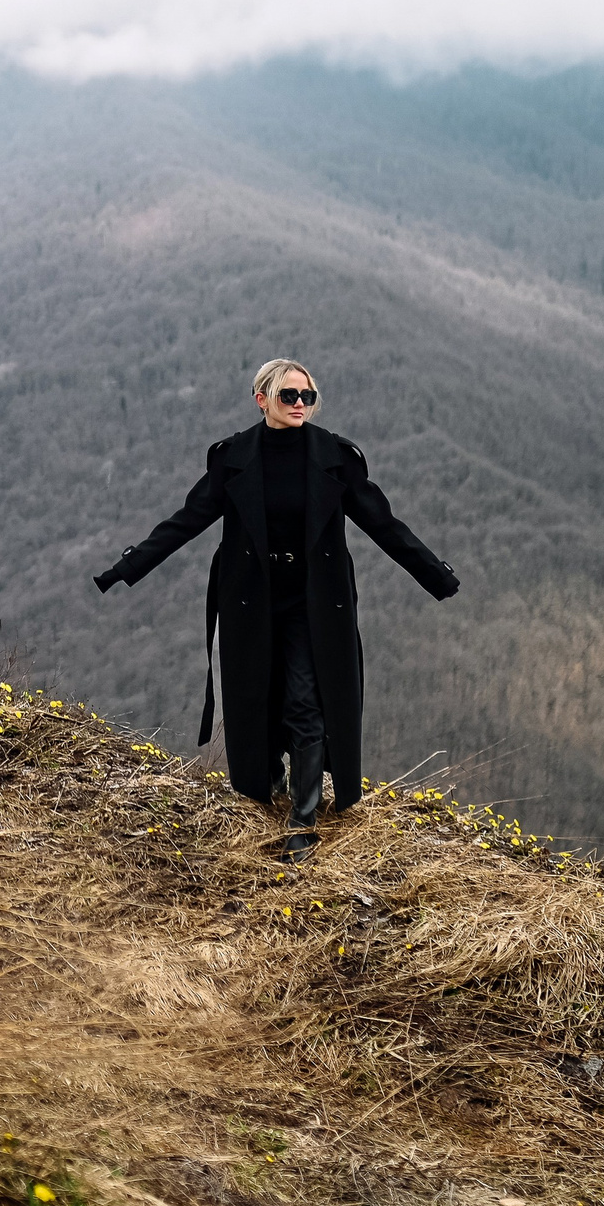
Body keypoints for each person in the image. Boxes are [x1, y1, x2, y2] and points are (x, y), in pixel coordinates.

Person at [94, 359, 458, 859]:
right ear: (262, 399)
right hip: (251, 600)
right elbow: (187, 520)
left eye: (307, 396)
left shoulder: (335, 457)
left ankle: (302, 821)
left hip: (313, 602)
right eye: (289, 396)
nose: (300, 405)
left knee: (307, 702)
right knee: (254, 700)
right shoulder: (234, 458)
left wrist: (436, 575)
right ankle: (269, 789)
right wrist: (127, 566)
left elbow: (384, 523)